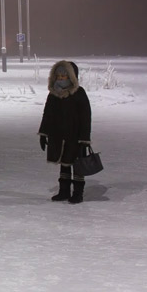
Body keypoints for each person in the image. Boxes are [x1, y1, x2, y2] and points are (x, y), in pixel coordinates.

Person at [37, 60, 92, 204]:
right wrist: (43, 133)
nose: (61, 79)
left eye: (64, 76)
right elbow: (47, 114)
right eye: (59, 76)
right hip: (58, 135)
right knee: (64, 163)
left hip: (75, 136)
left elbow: (86, 117)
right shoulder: (53, 94)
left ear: (72, 77)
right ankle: (64, 191)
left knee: (77, 164)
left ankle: (78, 193)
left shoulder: (79, 93)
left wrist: (84, 139)